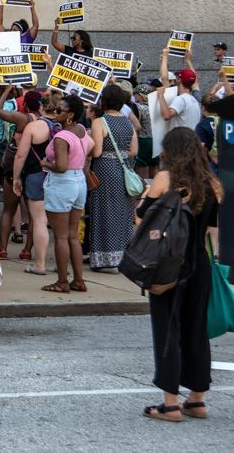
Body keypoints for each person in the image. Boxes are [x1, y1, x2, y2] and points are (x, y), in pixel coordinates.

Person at [138, 127, 222, 422]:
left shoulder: (164, 179)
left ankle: (170, 404)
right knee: (196, 329)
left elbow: (142, 216)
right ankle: (197, 399)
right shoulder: (211, 182)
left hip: (168, 264)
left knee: (167, 330)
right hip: (200, 262)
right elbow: (213, 229)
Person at [40, 94, 94, 292]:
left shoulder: (62, 137)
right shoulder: (80, 130)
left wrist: (46, 163)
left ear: (70, 115)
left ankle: (63, 281)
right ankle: (78, 280)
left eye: (59, 110)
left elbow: (61, 166)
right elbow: (91, 145)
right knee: (72, 235)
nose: (55, 112)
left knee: (61, 237)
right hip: (79, 180)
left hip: (63, 183)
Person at [88, 85, 139, 273]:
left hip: (105, 170)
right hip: (124, 168)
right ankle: (124, 256)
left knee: (103, 211)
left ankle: (104, 257)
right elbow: (134, 151)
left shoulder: (100, 122)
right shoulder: (128, 122)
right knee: (123, 213)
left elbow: (98, 151)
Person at [12, 92, 57, 275]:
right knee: (61, 225)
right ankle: (61, 264)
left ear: (40, 107)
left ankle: (40, 264)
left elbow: (21, 154)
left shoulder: (33, 127)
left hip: (36, 175)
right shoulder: (65, 126)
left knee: (39, 220)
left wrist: (15, 178)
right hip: (61, 177)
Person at [0, 89, 41, 259]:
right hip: (35, 170)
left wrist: (6, 90)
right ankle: (27, 250)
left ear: (25, 104)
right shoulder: (46, 122)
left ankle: (3, 249)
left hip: (15, 169)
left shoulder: (23, 118)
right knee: (34, 214)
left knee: (8, 209)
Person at [157, 49, 202, 131]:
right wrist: (188, 60)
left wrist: (160, 96)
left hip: (181, 141)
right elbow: (195, 81)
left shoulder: (181, 99)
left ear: (179, 80)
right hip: (192, 139)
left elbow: (166, 116)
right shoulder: (195, 99)